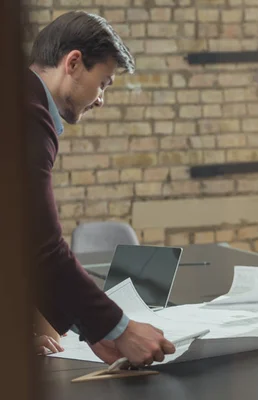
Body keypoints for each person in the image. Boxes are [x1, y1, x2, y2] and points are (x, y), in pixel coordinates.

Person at [27, 11, 174, 366]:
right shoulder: (27, 116)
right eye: (104, 82)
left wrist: (82, 327)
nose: (100, 99)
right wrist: (119, 329)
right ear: (74, 63)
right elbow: (42, 247)